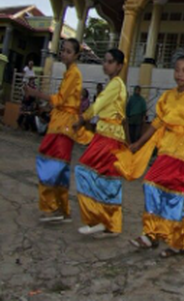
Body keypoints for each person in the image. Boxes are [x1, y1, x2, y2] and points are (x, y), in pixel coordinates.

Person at [123, 55, 184, 258]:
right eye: (177, 70)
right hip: (165, 149)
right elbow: (156, 124)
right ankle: (153, 234)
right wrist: (138, 143)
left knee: (173, 195)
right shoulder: (168, 96)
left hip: (182, 151)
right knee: (152, 185)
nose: (180, 74)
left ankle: (176, 241)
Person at [24, 38, 91, 223]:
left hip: (65, 126)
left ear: (76, 55)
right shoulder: (69, 73)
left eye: (69, 51)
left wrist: (36, 94)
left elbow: (61, 100)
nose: (64, 53)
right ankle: (59, 209)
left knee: (56, 165)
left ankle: (59, 209)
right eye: (63, 50)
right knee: (53, 163)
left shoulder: (74, 74)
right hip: (59, 123)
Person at [73, 49, 128, 238]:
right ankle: (111, 224)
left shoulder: (116, 84)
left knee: (84, 170)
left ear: (119, 66)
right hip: (111, 135)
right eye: (105, 61)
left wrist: (82, 118)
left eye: (110, 62)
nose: (106, 65)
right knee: (108, 180)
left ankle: (95, 218)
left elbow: (99, 104)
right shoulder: (115, 84)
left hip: (108, 137)